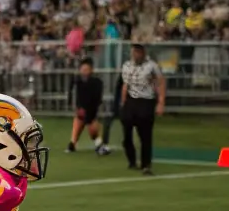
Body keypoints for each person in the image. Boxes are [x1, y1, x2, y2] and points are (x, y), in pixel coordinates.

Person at [120, 42, 165, 174]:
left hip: (146, 100)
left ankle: (146, 164)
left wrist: (161, 102)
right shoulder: (127, 66)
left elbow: (160, 82)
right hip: (131, 100)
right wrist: (123, 102)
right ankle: (132, 160)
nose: (136, 54)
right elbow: (125, 84)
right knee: (126, 134)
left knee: (145, 134)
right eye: (134, 51)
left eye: (138, 51)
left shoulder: (151, 66)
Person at [66, 58, 109, 155]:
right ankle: (73, 143)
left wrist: (88, 111)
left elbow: (97, 99)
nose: (84, 72)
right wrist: (78, 107)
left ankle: (99, 144)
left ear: (91, 70)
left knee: (91, 127)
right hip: (81, 109)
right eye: (83, 69)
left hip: (91, 109)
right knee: (78, 124)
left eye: (87, 69)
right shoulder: (77, 81)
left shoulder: (97, 82)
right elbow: (72, 93)